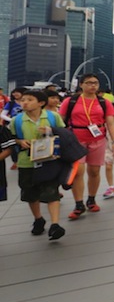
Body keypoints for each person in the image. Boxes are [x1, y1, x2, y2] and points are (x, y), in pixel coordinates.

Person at [59, 74, 114, 219]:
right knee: (78, 172)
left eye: (96, 83)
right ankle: (79, 204)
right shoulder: (70, 101)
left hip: (97, 139)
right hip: (75, 140)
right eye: (89, 83)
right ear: (81, 85)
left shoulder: (104, 103)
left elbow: (110, 124)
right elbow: (61, 121)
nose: (93, 85)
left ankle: (91, 199)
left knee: (94, 171)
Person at [10, 90, 66, 240]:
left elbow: (64, 132)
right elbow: (10, 138)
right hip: (26, 161)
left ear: (41, 103)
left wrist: (51, 130)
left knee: (51, 191)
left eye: (29, 99)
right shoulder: (17, 120)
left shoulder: (52, 116)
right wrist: (19, 141)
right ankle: (38, 219)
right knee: (30, 192)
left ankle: (55, 225)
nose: (25, 102)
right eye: (23, 100)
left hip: (49, 160)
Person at [1, 87, 25, 170]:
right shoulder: (11, 104)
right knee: (13, 143)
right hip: (13, 126)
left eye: (18, 92)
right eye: (14, 93)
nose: (15, 94)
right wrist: (12, 120)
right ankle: (15, 161)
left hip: (26, 125)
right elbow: (3, 114)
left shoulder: (26, 103)